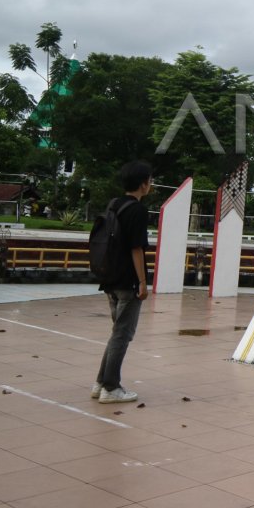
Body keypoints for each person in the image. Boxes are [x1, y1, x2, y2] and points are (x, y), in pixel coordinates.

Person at [92, 160, 152, 404]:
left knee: (117, 333)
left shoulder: (114, 204)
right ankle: (111, 387)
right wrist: (142, 282)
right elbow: (136, 249)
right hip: (128, 281)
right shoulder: (137, 210)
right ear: (143, 184)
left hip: (110, 278)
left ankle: (100, 383)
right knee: (122, 335)